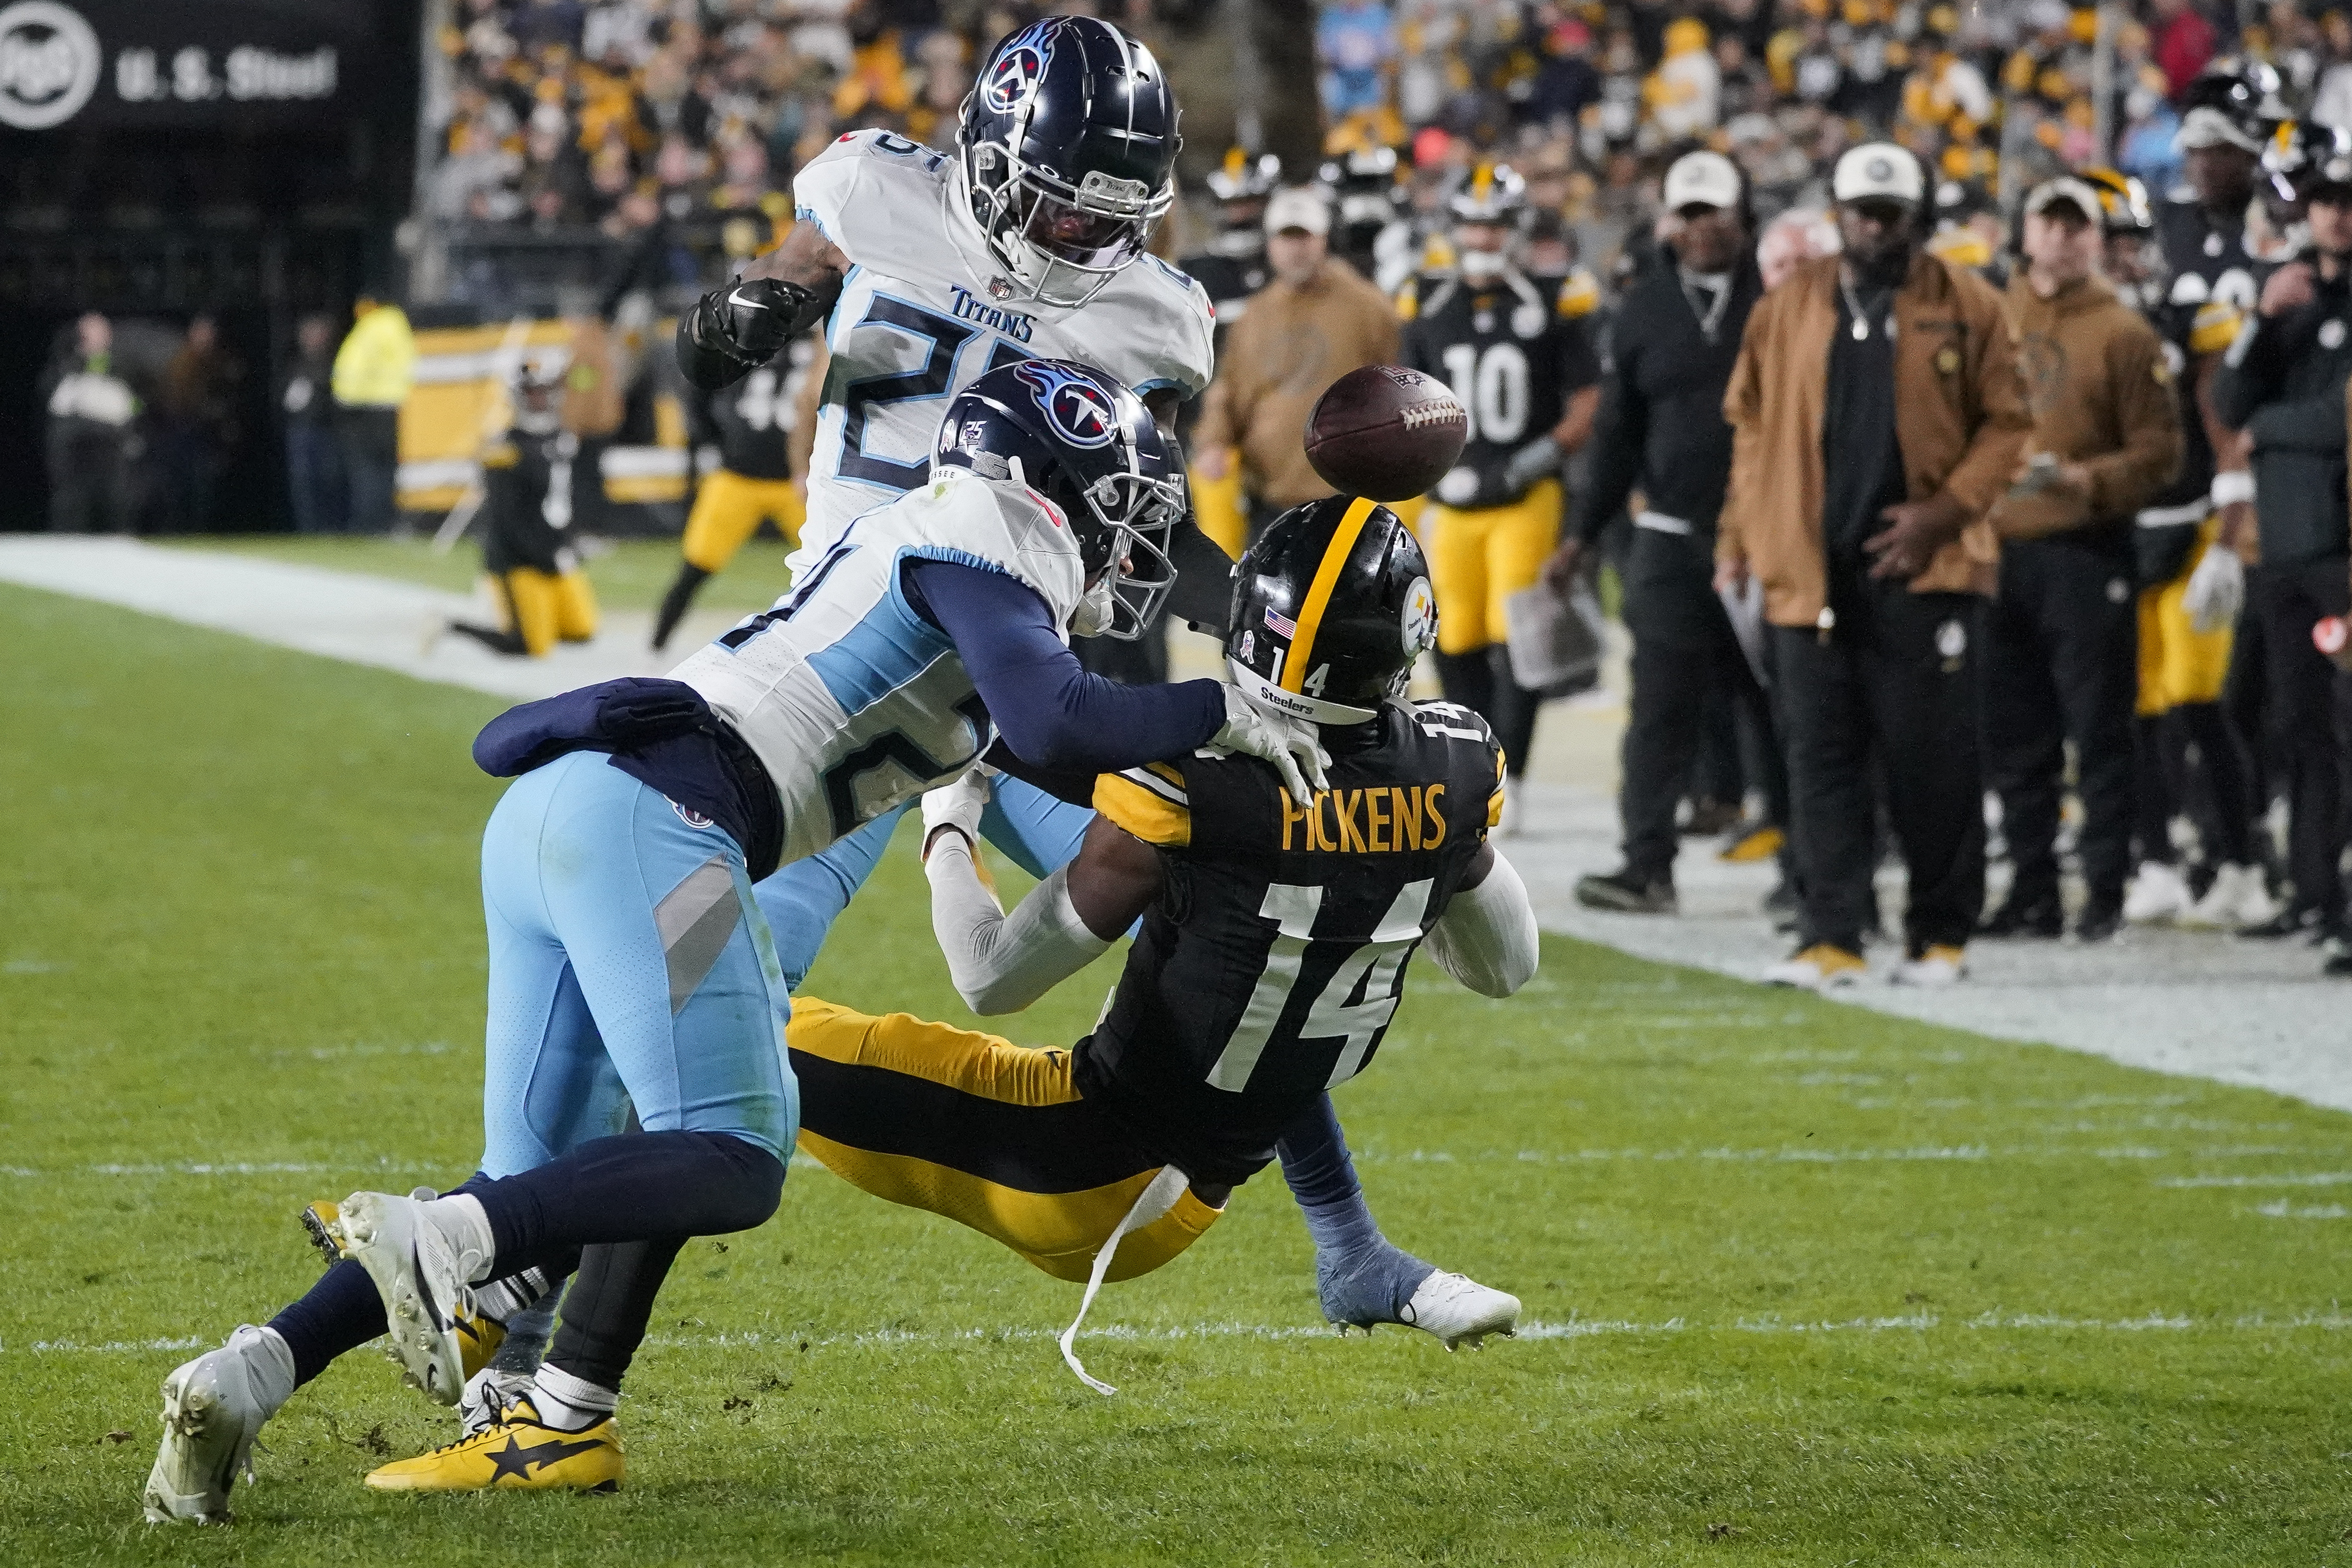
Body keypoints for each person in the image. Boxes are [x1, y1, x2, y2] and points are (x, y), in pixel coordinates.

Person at [141, 362, 1336, 1517]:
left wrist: (1254, 829)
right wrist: (1222, 707)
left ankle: (242, 1377)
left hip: (571, 813)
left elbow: (1064, 774)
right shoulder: (983, 531)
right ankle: (434, 1232)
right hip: (659, 817)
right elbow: (1055, 719)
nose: (1128, 554)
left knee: (530, 1209)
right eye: (1113, 516)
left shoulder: (963, 596)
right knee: (728, 1156)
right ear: (1034, 484)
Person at [671, 15, 1449, 1345]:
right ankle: (529, 1300)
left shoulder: (1156, 314)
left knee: (1224, 899)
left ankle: (1351, 1249)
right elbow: (743, 311)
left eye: (1111, 220)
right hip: (851, 675)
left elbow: (1152, 527)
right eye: (1057, 207)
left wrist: (1306, 593)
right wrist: (741, 312)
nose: (1081, 242)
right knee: (699, 996)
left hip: (1018, 680)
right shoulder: (873, 187)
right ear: (988, 152)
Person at [1717, 143, 2032, 989]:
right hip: (1809, 574)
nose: (1873, 226)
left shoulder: (1970, 303)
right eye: (1861, 210)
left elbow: (2009, 425)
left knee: (1933, 762)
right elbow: (1748, 430)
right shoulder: (1785, 307)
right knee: (1818, 761)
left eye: (1889, 214)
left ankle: (1940, 935)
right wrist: (1738, 538)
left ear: (1918, 220)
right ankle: (1832, 935)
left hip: (1923, 571)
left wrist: (1946, 512)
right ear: (1839, 212)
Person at [1554, 150, 1778, 914]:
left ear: (1742, 214)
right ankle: (1645, 863)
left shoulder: (1784, 296)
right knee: (1656, 707)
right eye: (1687, 213)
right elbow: (1617, 434)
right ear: (1666, 224)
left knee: (1785, 703)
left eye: (1713, 210)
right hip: (1672, 532)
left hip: (1767, 538)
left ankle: (1805, 861)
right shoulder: (1646, 307)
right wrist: (1579, 534)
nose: (1701, 226)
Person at [1976, 178, 2183, 944]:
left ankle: (2102, 889)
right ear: (2025, 232)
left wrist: (2086, 479)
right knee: (2014, 737)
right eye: (2048, 224)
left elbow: (2162, 453)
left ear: (2096, 239)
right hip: (2000, 548)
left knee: (2096, 731)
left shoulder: (2123, 333)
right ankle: (2031, 889)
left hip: (2083, 548)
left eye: (2075, 227)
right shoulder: (1990, 317)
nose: (2060, 240)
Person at [2083, 166, 2276, 931]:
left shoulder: (2180, 318)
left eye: (2123, 243)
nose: (2117, 258)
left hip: (2190, 523)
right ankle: (2155, 858)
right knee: (2134, 710)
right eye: (2109, 243)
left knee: (2200, 704)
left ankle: (2239, 861)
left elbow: (2221, 429)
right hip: (2112, 535)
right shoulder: (2057, 327)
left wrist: (2229, 538)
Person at [1397, 163, 1602, 824]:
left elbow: (1589, 397)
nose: (1481, 236)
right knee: (1452, 633)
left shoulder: (1554, 296)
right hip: (1451, 495)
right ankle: (1473, 763)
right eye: (1472, 222)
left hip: (1524, 491)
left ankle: (1513, 771)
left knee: (1520, 638)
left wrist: (1541, 456)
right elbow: (1404, 390)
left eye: (1493, 223)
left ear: (1516, 230)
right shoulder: (1424, 299)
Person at [2213, 121, 2352, 965]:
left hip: (2342, 553)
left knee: (2344, 729)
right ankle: (2312, 893)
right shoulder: (2285, 297)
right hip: (2287, 550)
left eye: (2350, 203)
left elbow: (2339, 422)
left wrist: (2277, 428)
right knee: (2293, 726)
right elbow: (2231, 406)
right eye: (2329, 201)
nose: (2338, 217)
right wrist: (2261, 323)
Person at [1193, 185, 1401, 553]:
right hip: (1270, 496)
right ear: (1269, 244)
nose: (1294, 249)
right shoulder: (1255, 315)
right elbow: (1230, 391)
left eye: (1303, 237)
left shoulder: (1369, 308)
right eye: (1284, 238)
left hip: (1348, 497)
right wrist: (1214, 441)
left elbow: (1401, 386)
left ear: (1324, 240)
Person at [651, 335, 817, 652]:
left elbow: (698, 391)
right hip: (743, 477)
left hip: (795, 481)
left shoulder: (757, 340)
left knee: (832, 566)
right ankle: (656, 646)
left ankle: (654, 649)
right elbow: (699, 391)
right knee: (696, 565)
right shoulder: (813, 342)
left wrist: (713, 439)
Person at [434, 361, 601, 659]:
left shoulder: (563, 438)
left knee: (582, 630)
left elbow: (566, 500)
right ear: (518, 397)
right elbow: (506, 518)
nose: (539, 399)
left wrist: (570, 542)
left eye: (542, 392)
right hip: (518, 558)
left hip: (554, 550)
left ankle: (536, 617)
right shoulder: (504, 448)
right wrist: (547, 555)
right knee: (531, 646)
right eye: (531, 393)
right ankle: (452, 626)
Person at [42, 312, 137, 533]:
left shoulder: (123, 367)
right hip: (76, 447)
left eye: (101, 332)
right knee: (71, 503)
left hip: (111, 447)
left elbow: (132, 406)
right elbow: (55, 404)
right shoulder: (65, 365)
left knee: (117, 502)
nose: (97, 337)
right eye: (90, 332)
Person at [333, 294, 417, 535]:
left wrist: (344, 397)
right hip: (385, 405)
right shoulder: (393, 324)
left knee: (370, 469)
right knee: (381, 468)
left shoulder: (377, 325)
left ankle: (372, 523)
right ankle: (380, 522)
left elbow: (356, 367)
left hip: (368, 406)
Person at [150, 316, 240, 534]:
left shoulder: (219, 362)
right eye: (201, 334)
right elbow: (174, 400)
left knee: (206, 489)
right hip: (182, 433)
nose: (205, 339)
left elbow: (230, 397)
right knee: (180, 487)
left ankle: (203, 531)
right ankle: (179, 531)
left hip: (208, 436)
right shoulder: (182, 362)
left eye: (209, 334)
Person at [281, 314, 346, 535]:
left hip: (326, 431)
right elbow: (289, 402)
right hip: (302, 431)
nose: (313, 339)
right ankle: (309, 530)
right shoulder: (297, 365)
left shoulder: (334, 363)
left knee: (329, 481)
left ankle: (330, 527)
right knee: (304, 484)